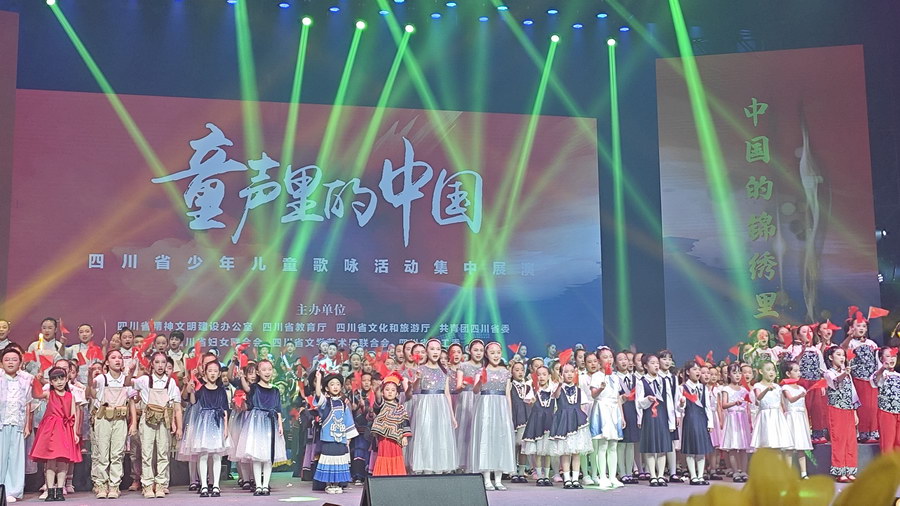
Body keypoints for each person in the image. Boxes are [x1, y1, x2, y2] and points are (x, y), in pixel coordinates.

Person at [131, 352, 183, 498]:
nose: (160, 365)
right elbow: (129, 384)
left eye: (163, 362)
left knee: (163, 453)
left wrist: (179, 427)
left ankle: (160, 484)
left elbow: (177, 408)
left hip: (164, 420)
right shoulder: (145, 380)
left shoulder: (170, 382)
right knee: (147, 453)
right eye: (157, 362)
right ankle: (147, 485)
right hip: (148, 419)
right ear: (152, 364)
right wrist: (132, 371)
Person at [87, 349, 135, 499]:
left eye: (120, 357)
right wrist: (89, 375)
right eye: (113, 358)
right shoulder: (102, 378)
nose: (117, 360)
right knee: (102, 453)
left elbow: (131, 400)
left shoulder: (126, 380)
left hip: (120, 419)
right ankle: (101, 484)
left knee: (117, 454)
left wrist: (133, 422)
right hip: (103, 419)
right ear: (107, 362)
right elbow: (91, 389)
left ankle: (114, 485)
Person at [234, 359, 286, 496]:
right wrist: (242, 377)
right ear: (258, 372)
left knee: (268, 456)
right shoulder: (255, 388)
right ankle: (258, 485)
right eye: (263, 370)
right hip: (256, 421)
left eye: (269, 369)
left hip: (270, 422)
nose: (267, 372)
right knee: (256, 456)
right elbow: (246, 389)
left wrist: (280, 425)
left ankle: (265, 485)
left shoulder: (275, 390)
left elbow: (278, 409)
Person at [30, 366, 82, 501]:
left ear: (66, 379)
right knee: (50, 461)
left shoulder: (70, 396)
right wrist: (35, 381)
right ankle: (50, 490)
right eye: (55, 379)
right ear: (51, 382)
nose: (59, 382)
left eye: (61, 378)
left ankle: (59, 490)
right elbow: (36, 395)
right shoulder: (49, 394)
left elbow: (73, 415)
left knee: (63, 461)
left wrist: (75, 433)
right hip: (50, 430)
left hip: (64, 429)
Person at [470, 341, 516, 491]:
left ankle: (498, 479)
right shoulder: (481, 371)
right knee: (486, 439)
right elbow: (475, 391)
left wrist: (509, 414)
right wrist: (480, 381)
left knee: (500, 440)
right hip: (486, 406)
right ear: (486, 354)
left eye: (498, 353)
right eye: (492, 353)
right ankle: (486, 479)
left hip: (501, 407)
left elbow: (508, 394)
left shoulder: (505, 372)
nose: (496, 356)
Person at [410, 339, 458, 474]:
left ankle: (439, 468)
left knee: (440, 436)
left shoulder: (444, 371)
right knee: (426, 435)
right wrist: (418, 378)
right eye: (432, 349)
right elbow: (415, 389)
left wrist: (452, 416)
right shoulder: (421, 369)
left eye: (438, 349)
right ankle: (427, 468)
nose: (435, 352)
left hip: (441, 405)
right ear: (426, 351)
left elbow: (447, 393)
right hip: (425, 404)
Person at [184, 360, 230, 497]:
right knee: (203, 455)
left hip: (217, 423)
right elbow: (193, 402)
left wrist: (226, 428)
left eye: (215, 371)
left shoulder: (221, 390)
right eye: (210, 371)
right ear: (205, 373)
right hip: (203, 424)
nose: (213, 373)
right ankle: (204, 485)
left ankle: (215, 485)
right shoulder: (201, 389)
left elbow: (225, 410)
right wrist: (191, 390)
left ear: (219, 373)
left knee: (216, 456)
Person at [313, 371, 358, 494]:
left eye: (338, 384)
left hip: (341, 439)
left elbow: (348, 421)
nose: (335, 387)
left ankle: (337, 484)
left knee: (339, 461)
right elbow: (318, 396)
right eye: (332, 384)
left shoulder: (344, 404)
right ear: (327, 388)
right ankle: (329, 485)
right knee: (329, 461)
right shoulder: (326, 402)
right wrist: (318, 380)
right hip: (328, 438)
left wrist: (348, 439)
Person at [550, 363, 592, 489]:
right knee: (565, 451)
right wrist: (560, 384)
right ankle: (567, 478)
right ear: (561, 374)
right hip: (564, 421)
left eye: (571, 371)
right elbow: (555, 396)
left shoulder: (579, 390)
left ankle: (575, 479)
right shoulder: (558, 388)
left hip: (577, 421)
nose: (569, 374)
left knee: (576, 452)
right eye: (566, 372)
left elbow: (583, 406)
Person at [636, 354, 675, 487]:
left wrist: (671, 421)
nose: (656, 365)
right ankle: (652, 475)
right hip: (649, 417)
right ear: (645, 366)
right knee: (651, 447)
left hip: (662, 416)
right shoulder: (641, 382)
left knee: (662, 448)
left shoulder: (664, 381)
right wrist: (647, 400)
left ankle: (661, 475)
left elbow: (669, 401)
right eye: (652, 363)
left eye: (657, 363)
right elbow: (638, 403)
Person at [1, 347, 34, 503]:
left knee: (15, 458)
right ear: (1, 363)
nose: (10, 362)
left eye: (14, 360)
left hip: (18, 422)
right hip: (1, 423)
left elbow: (28, 403)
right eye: (7, 360)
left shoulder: (26, 380)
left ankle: (12, 490)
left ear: (20, 363)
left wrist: (27, 425)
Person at [841, 309, 880, 443]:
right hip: (858, 379)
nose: (861, 328)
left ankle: (873, 431)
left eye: (864, 326)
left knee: (872, 406)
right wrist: (849, 337)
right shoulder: (851, 343)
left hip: (871, 379)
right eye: (858, 326)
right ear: (852, 328)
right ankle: (863, 433)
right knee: (862, 406)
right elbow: (843, 349)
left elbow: (877, 361)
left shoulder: (872, 344)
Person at [589, 348, 624, 489]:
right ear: (599, 360)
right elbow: (593, 395)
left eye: (610, 357)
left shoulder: (615, 377)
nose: (609, 359)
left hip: (614, 410)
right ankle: (602, 476)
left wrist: (621, 415)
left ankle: (613, 477)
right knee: (602, 445)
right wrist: (601, 388)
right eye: (605, 357)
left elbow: (617, 397)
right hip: (602, 409)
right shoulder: (596, 376)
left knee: (613, 445)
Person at [824, 346, 859, 482]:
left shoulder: (847, 374)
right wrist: (845, 373)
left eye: (843, 355)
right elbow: (835, 382)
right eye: (838, 354)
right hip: (836, 409)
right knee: (839, 440)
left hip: (848, 409)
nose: (842, 357)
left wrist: (855, 412)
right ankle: (840, 471)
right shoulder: (828, 373)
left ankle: (850, 470)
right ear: (831, 357)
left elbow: (853, 394)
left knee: (851, 440)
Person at [678, 362, 714, 486]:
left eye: (699, 369)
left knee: (701, 449)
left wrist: (710, 423)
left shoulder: (703, 388)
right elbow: (680, 409)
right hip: (690, 419)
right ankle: (693, 476)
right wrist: (682, 404)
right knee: (691, 449)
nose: (697, 372)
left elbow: (707, 406)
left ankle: (700, 475)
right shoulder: (682, 388)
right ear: (688, 372)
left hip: (702, 419)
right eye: (694, 369)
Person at [370, 372, 411, 476]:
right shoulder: (381, 405)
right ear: (383, 392)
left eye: (393, 390)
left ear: (397, 393)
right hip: (383, 438)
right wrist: (377, 390)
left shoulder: (400, 408)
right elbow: (377, 399)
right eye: (387, 390)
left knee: (396, 456)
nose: (390, 392)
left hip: (396, 438)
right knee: (383, 455)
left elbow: (405, 421)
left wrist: (405, 436)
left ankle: (396, 476)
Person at [522, 365, 556, 486]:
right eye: (539, 375)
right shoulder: (533, 389)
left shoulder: (553, 389)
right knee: (538, 451)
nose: (541, 377)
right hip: (537, 421)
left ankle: (546, 476)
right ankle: (539, 476)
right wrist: (531, 402)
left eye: (544, 374)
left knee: (547, 451)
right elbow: (528, 400)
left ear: (549, 376)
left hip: (549, 421)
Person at [750, 361, 792, 453]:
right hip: (765, 416)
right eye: (768, 370)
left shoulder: (777, 387)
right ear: (761, 371)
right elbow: (758, 398)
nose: (771, 372)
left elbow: (781, 403)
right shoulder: (758, 386)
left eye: (773, 370)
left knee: (778, 444)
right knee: (766, 443)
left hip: (777, 416)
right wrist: (767, 389)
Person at [719, 363, 751, 483]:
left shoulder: (744, 390)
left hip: (742, 419)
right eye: (734, 373)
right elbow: (723, 405)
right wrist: (734, 403)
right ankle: (735, 471)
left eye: (739, 373)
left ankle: (744, 471)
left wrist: (749, 420)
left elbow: (748, 405)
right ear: (729, 375)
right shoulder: (726, 389)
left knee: (743, 447)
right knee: (733, 447)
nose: (737, 375)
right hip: (732, 418)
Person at [781, 360, 813, 478]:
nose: (799, 373)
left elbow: (804, 407)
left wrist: (807, 422)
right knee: (789, 449)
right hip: (790, 418)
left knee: (801, 447)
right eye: (795, 370)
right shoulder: (785, 387)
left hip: (800, 419)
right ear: (788, 373)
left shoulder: (801, 388)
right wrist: (799, 396)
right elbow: (790, 399)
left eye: (799, 370)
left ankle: (804, 473)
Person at [509, 360, 534, 483]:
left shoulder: (528, 387)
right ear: (512, 372)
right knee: (513, 445)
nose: (520, 372)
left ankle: (521, 472)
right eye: (517, 370)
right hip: (514, 417)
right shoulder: (509, 386)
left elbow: (531, 400)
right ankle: (513, 471)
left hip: (526, 417)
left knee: (523, 446)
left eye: (522, 370)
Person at [875, 347, 900, 453]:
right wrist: (882, 369)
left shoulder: (898, 375)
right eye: (888, 356)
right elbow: (876, 381)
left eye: (894, 356)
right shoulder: (881, 374)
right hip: (887, 412)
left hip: (899, 412)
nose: (892, 359)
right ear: (881, 359)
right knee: (888, 445)